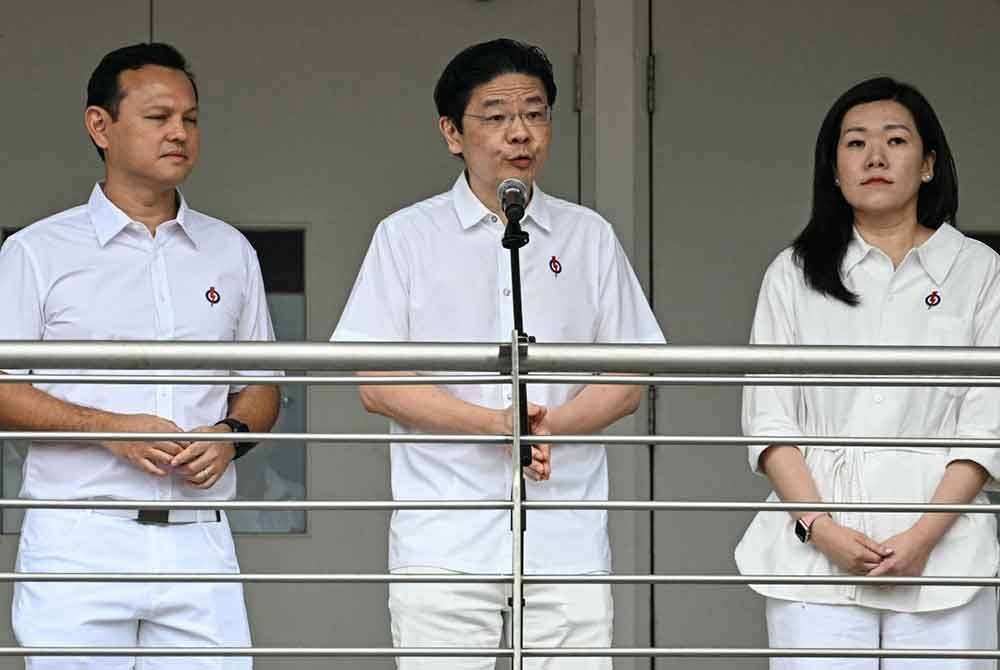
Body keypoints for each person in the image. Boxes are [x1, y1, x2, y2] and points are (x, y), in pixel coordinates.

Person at [332, 38, 664, 669]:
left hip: (566, 536)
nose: (520, 133)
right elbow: (376, 381)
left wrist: (547, 427)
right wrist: (495, 425)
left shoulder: (588, 236)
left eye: (535, 114)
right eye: (497, 116)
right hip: (443, 538)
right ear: (452, 133)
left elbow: (631, 372)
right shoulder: (406, 237)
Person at [0, 42, 281, 668]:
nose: (179, 132)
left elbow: (261, 385)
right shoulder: (36, 252)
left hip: (200, 538)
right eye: (158, 117)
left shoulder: (229, 251)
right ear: (100, 126)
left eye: (190, 118)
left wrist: (231, 436)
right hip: (77, 537)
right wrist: (107, 429)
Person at [735, 76, 1000, 670]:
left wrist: (924, 537)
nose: (875, 157)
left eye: (896, 141)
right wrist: (820, 528)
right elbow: (770, 419)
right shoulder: (793, 273)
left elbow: (988, 423)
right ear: (834, 170)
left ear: (928, 164)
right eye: (855, 143)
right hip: (813, 561)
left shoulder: (979, 270)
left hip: (947, 557)